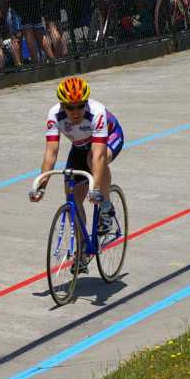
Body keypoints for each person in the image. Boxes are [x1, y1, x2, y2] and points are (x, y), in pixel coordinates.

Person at [30, 76, 124, 267]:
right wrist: (41, 186)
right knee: (71, 195)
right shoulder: (54, 115)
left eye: (80, 106)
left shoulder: (96, 112)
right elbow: (51, 153)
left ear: (86, 103)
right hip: (80, 146)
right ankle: (83, 248)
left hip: (110, 138)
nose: (76, 111)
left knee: (93, 160)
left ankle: (106, 208)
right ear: (62, 106)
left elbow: (98, 156)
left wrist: (95, 188)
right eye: (70, 107)